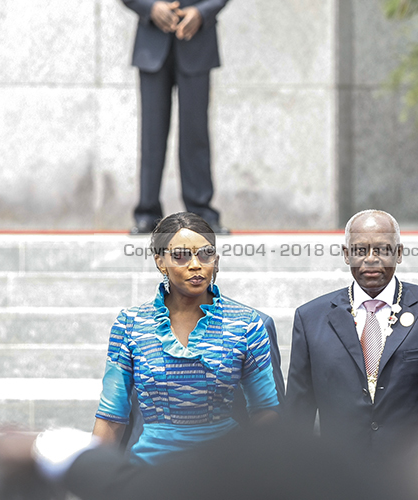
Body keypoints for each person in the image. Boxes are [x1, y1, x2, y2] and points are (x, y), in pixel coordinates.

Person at [285, 209, 418, 461]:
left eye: (382, 249)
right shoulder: (311, 318)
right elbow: (297, 416)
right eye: (360, 250)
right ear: (346, 255)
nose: (371, 259)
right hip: (339, 478)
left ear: (399, 253)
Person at [93, 212, 279, 464]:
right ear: (160, 262)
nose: (195, 265)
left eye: (205, 254)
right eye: (180, 256)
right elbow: (110, 417)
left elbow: (266, 412)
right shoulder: (131, 324)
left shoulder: (245, 323)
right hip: (150, 472)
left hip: (224, 470)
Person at [122, 0, 230, 234]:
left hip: (197, 39)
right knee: (152, 134)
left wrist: (201, 12)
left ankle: (201, 214)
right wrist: (151, 8)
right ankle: (147, 213)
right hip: (152, 42)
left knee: (195, 132)